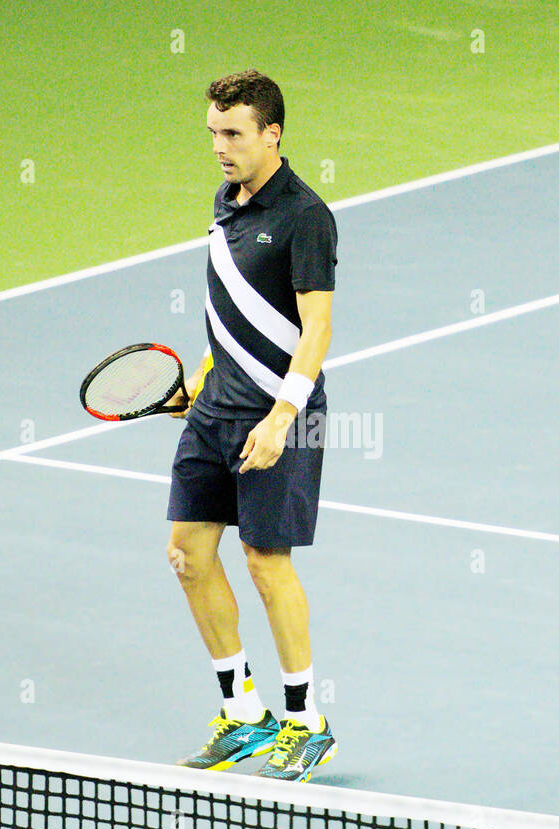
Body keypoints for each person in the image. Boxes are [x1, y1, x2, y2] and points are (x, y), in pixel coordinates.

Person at [166, 70, 338, 782]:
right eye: (213, 133)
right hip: (216, 411)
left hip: (282, 418)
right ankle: (243, 713)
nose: (220, 146)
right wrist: (203, 384)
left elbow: (317, 327)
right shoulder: (225, 201)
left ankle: (306, 721)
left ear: (273, 133)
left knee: (267, 563)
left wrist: (281, 418)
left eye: (233, 134)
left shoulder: (305, 215)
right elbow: (238, 317)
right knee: (186, 553)